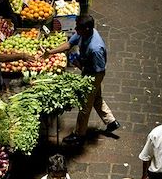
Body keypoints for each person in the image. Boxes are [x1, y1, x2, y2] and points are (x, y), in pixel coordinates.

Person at [44, 15, 120, 146]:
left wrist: (81, 66)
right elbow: (69, 44)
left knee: (85, 105)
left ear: (87, 28)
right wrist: (50, 52)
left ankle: (79, 134)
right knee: (95, 98)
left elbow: (99, 70)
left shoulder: (96, 48)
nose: (75, 29)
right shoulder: (82, 33)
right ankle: (111, 122)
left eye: (78, 27)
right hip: (89, 70)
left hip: (94, 74)